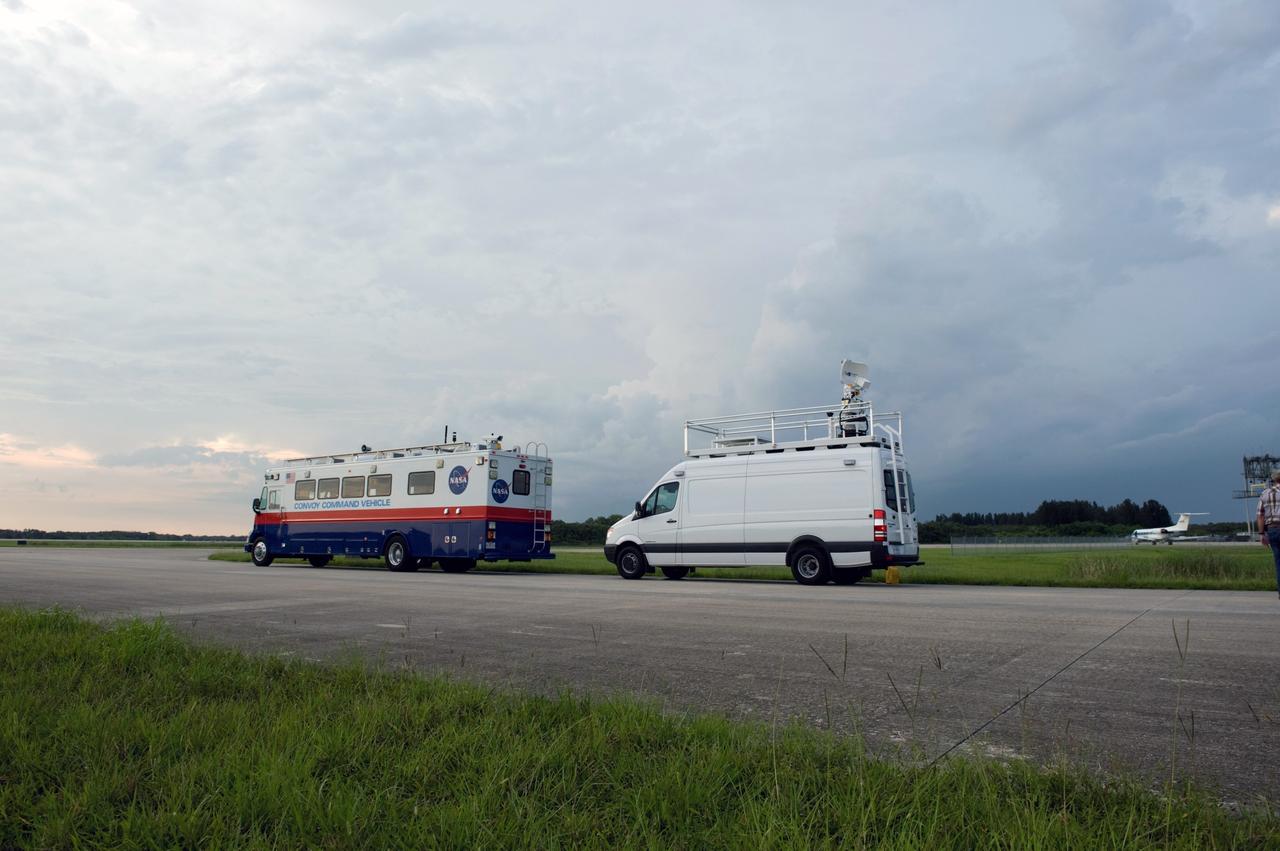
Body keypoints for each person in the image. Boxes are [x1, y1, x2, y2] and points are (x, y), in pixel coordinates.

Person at [1258, 470, 1280, 599]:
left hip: (1273, 530)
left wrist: (1261, 533)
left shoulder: (1265, 493)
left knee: (1278, 562)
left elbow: (1260, 514)